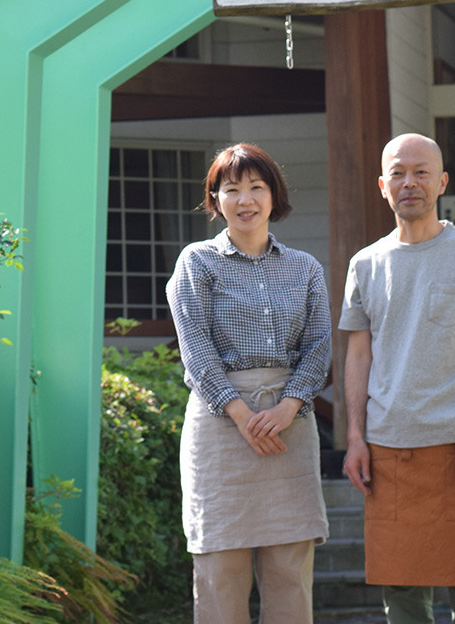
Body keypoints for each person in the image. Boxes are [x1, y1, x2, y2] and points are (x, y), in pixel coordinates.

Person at [340, 133, 455, 624]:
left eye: (421, 172)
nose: (409, 182)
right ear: (382, 185)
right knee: (403, 604)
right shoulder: (366, 263)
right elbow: (358, 356)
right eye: (398, 172)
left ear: (441, 182)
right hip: (388, 453)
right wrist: (355, 437)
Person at [166, 143, 332, 624]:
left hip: (290, 424)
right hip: (220, 427)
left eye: (256, 187)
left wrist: (287, 408)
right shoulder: (196, 262)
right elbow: (195, 346)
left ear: (273, 195)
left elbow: (319, 347)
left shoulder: (304, 268)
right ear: (215, 199)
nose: (245, 199)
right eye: (231, 188)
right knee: (221, 569)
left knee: (288, 567)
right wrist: (241, 414)